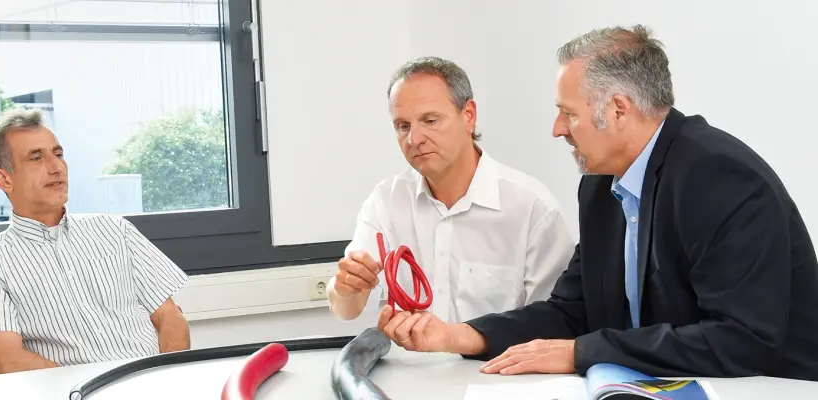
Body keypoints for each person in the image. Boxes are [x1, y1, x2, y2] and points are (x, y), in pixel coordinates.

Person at [376, 25, 818, 381]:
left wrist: (582, 353)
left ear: (619, 110)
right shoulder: (601, 185)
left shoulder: (719, 177)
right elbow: (571, 311)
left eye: (568, 113)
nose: (556, 128)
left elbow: (741, 341)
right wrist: (460, 336)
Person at [327, 56, 576, 324]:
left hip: (495, 365)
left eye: (430, 120)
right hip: (409, 365)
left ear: (469, 116)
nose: (415, 139)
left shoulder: (532, 208)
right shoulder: (386, 201)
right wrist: (345, 288)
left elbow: (555, 323)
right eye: (403, 126)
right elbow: (346, 310)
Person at [0, 108, 191, 374]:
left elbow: (170, 318)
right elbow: (8, 360)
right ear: (4, 179)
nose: (57, 167)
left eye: (58, 154)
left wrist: (166, 381)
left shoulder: (115, 230)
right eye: (36, 158)